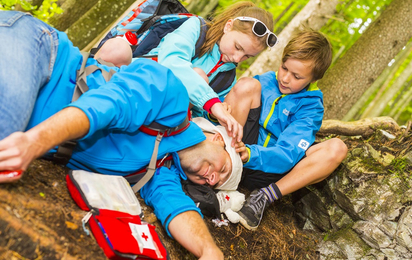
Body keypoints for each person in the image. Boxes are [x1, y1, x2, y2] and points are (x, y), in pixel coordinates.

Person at [0, 11, 244, 259]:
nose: (212, 179)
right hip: (42, 57)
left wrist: (210, 251)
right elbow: (109, 105)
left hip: (30, 118)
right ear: (218, 137)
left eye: (215, 185)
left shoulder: (160, 169)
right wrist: (35, 141)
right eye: (223, 169)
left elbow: (176, 207)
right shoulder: (174, 99)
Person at [96, 1, 278, 144]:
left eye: (247, 56)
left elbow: (200, 116)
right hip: (139, 79)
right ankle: (87, 86)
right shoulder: (196, 27)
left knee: (200, 77)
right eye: (238, 47)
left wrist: (214, 113)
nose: (238, 59)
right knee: (117, 48)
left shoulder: (228, 77)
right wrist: (211, 102)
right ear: (228, 26)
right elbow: (172, 61)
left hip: (163, 114)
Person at [224, 29, 348, 230]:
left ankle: (264, 198)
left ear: (313, 79)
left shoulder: (311, 107)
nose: (285, 78)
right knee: (247, 84)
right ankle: (221, 163)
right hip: (236, 151)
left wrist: (251, 154)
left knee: (337, 148)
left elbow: (288, 152)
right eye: (284, 68)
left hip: (269, 170)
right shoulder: (265, 81)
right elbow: (231, 104)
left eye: (297, 76)